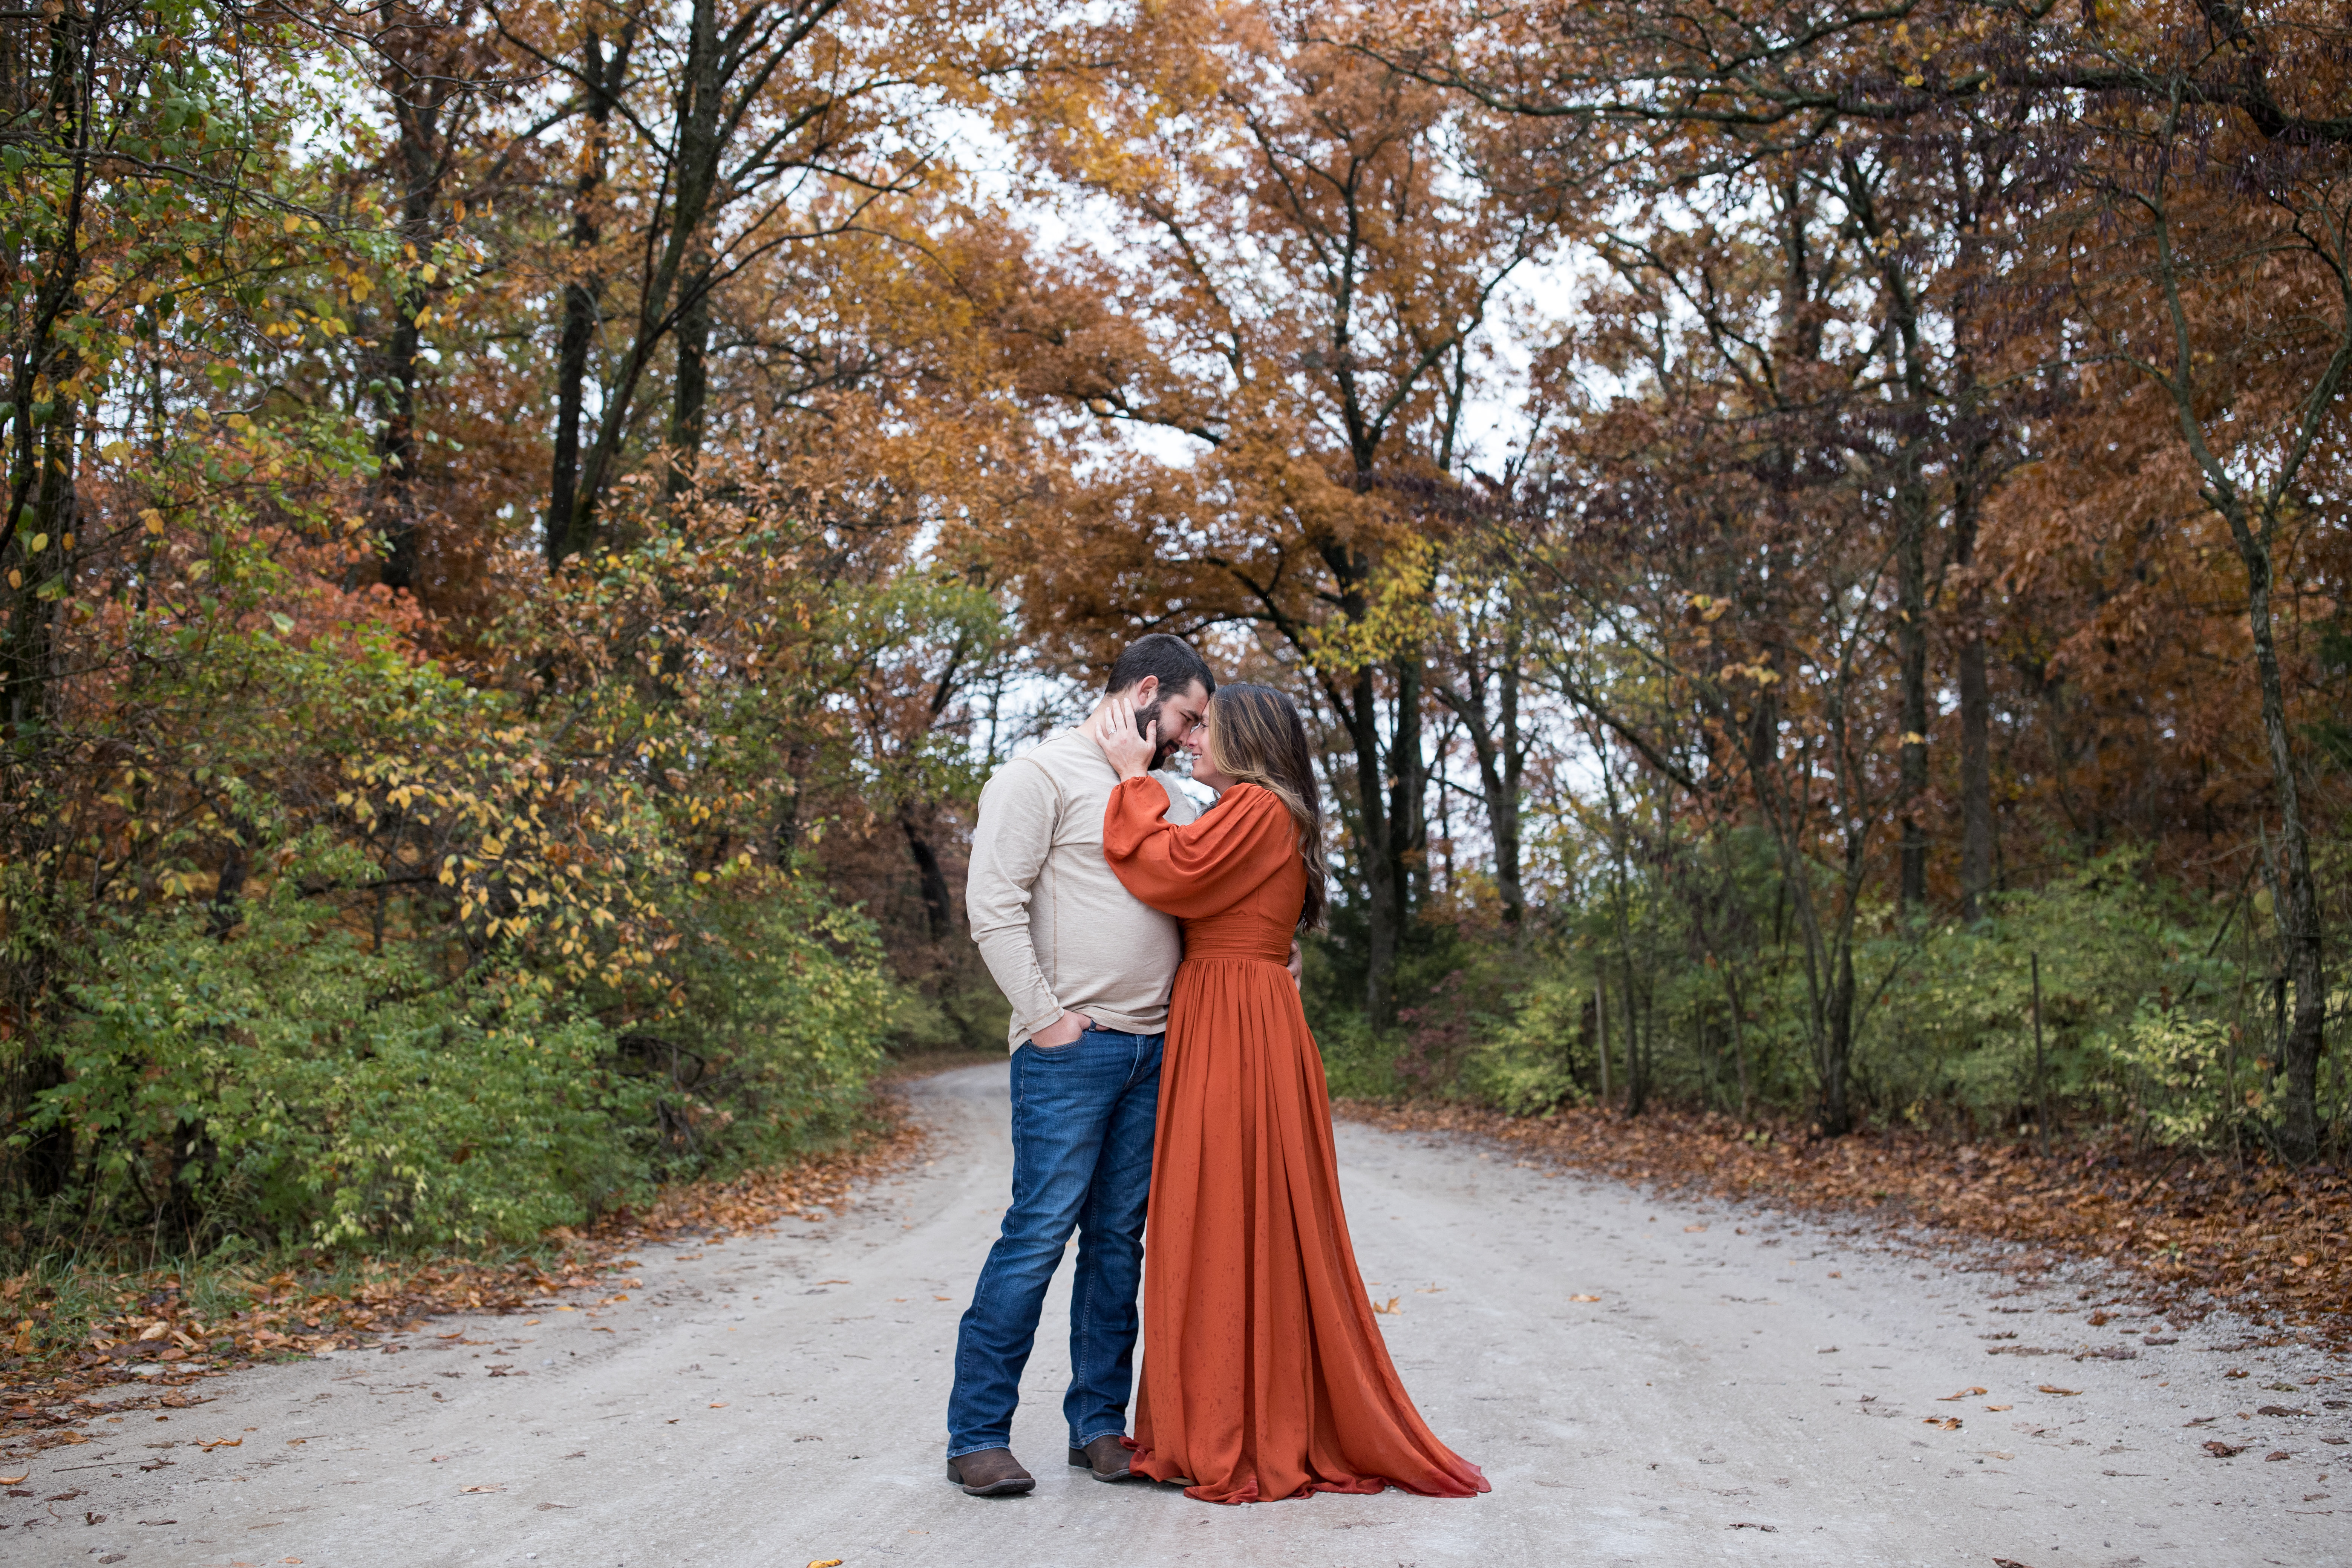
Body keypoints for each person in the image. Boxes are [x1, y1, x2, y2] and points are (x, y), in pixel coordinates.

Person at [1089, 681, 1489, 1505]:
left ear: (1247, 740)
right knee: (1220, 1212)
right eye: (1191, 726)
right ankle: (1222, 1411)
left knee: (1225, 1210)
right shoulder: (1261, 811)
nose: (1190, 740)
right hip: (1232, 1011)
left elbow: (1170, 868)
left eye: (1206, 728)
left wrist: (1132, 777)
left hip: (1236, 1021)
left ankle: (1232, 1425)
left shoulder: (1260, 807)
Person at [945, 633, 1216, 1497]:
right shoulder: (1038, 776)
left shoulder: (1164, 792)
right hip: (1073, 1050)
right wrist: (1047, 1019)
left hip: (1155, 1051)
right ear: (1145, 691)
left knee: (1116, 1244)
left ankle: (1098, 1425)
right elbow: (992, 906)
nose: (1190, 736)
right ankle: (976, 1435)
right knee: (1038, 1234)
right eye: (1187, 717)